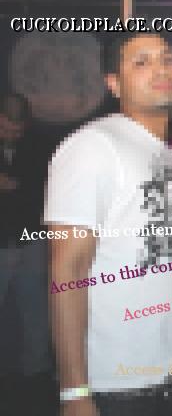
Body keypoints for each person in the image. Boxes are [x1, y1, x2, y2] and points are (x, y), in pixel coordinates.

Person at [45, 33, 172, 416]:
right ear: (114, 83)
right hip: (113, 385)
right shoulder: (93, 146)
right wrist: (74, 392)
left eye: (168, 59)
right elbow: (68, 269)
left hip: (168, 371)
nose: (161, 69)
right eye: (142, 62)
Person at [0, 93, 54, 415]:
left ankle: (37, 373)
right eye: (6, 129)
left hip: (31, 239)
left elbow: (46, 191)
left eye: (17, 130)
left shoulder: (38, 145)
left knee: (35, 310)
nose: (12, 134)